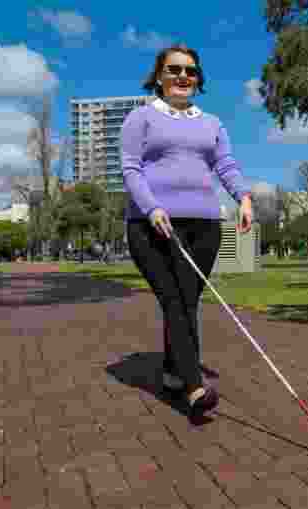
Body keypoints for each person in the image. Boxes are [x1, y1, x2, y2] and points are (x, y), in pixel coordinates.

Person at [121, 44, 253, 418]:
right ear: (159, 76)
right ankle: (195, 387)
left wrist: (242, 196)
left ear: (198, 79)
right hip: (152, 226)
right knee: (174, 301)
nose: (183, 76)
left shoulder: (212, 124)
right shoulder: (140, 118)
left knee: (188, 302)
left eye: (191, 71)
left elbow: (225, 164)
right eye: (174, 69)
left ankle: (171, 372)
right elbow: (131, 169)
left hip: (205, 226)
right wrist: (152, 207)